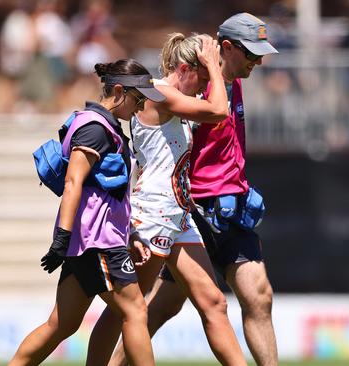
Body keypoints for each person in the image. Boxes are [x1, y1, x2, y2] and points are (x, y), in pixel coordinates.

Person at [111, 13, 280, 366]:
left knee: (254, 296)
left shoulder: (232, 81)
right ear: (227, 47)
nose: (258, 61)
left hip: (226, 205)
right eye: (251, 53)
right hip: (190, 208)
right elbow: (181, 136)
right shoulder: (194, 85)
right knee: (141, 308)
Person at [88, 34, 246, 366]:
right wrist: (217, 71)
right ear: (187, 68)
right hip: (153, 212)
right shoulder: (157, 92)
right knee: (127, 307)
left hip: (178, 214)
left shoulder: (175, 96)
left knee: (214, 302)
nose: (206, 86)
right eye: (202, 77)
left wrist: (212, 70)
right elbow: (219, 110)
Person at [8, 58, 165, 366]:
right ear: (119, 91)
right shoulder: (95, 128)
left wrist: (130, 234)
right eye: (138, 99)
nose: (141, 106)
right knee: (135, 311)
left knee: (61, 324)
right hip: (98, 243)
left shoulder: (105, 127)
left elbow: (108, 194)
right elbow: (73, 182)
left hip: (94, 241)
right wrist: (61, 237)